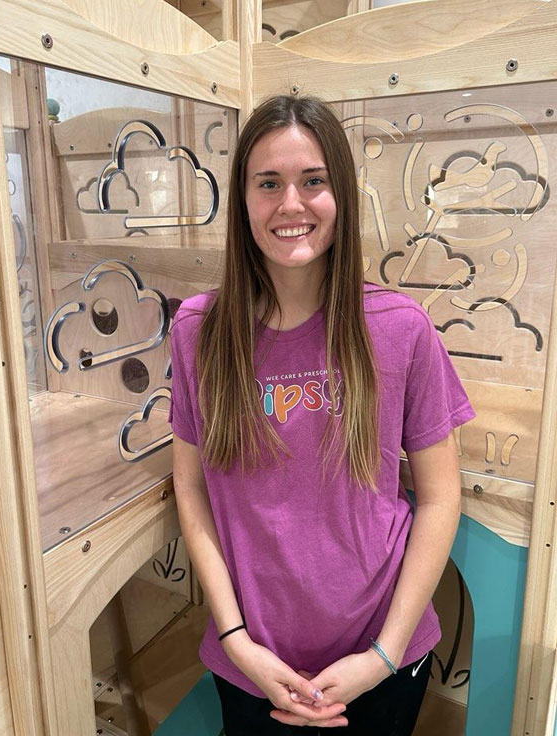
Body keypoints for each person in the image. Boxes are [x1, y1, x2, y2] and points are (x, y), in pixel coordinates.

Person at [169, 95, 475, 734]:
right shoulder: (199, 330)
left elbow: (442, 498)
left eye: (314, 181)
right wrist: (234, 638)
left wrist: (383, 656)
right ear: (244, 200)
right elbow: (192, 488)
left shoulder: (401, 329)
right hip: (251, 661)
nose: (291, 205)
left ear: (341, 195)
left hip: (382, 658)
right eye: (268, 184)